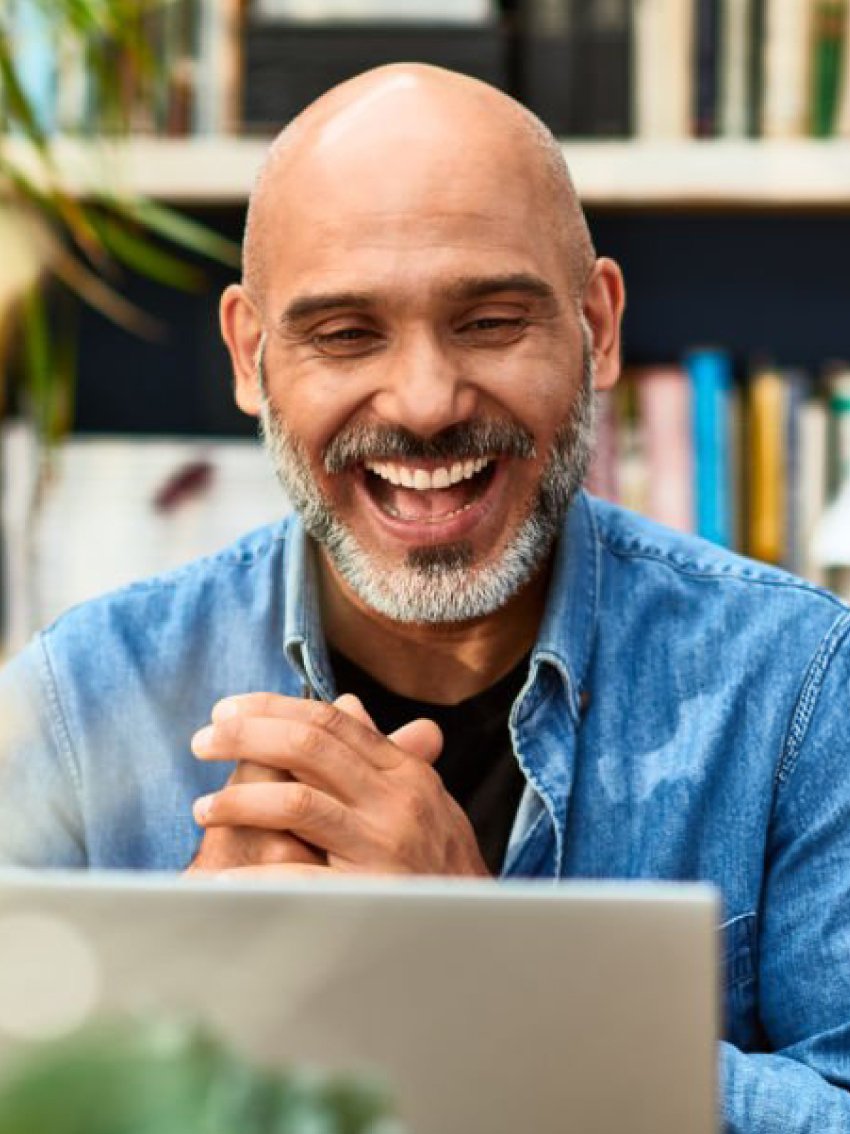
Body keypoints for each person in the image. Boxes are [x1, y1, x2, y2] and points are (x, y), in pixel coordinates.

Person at [1, 62, 849, 1128]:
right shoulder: (80, 705)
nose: (426, 402)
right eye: (346, 335)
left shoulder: (804, 690)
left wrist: (483, 971)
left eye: (491, 322)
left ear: (598, 326)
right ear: (250, 357)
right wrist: (170, 1015)